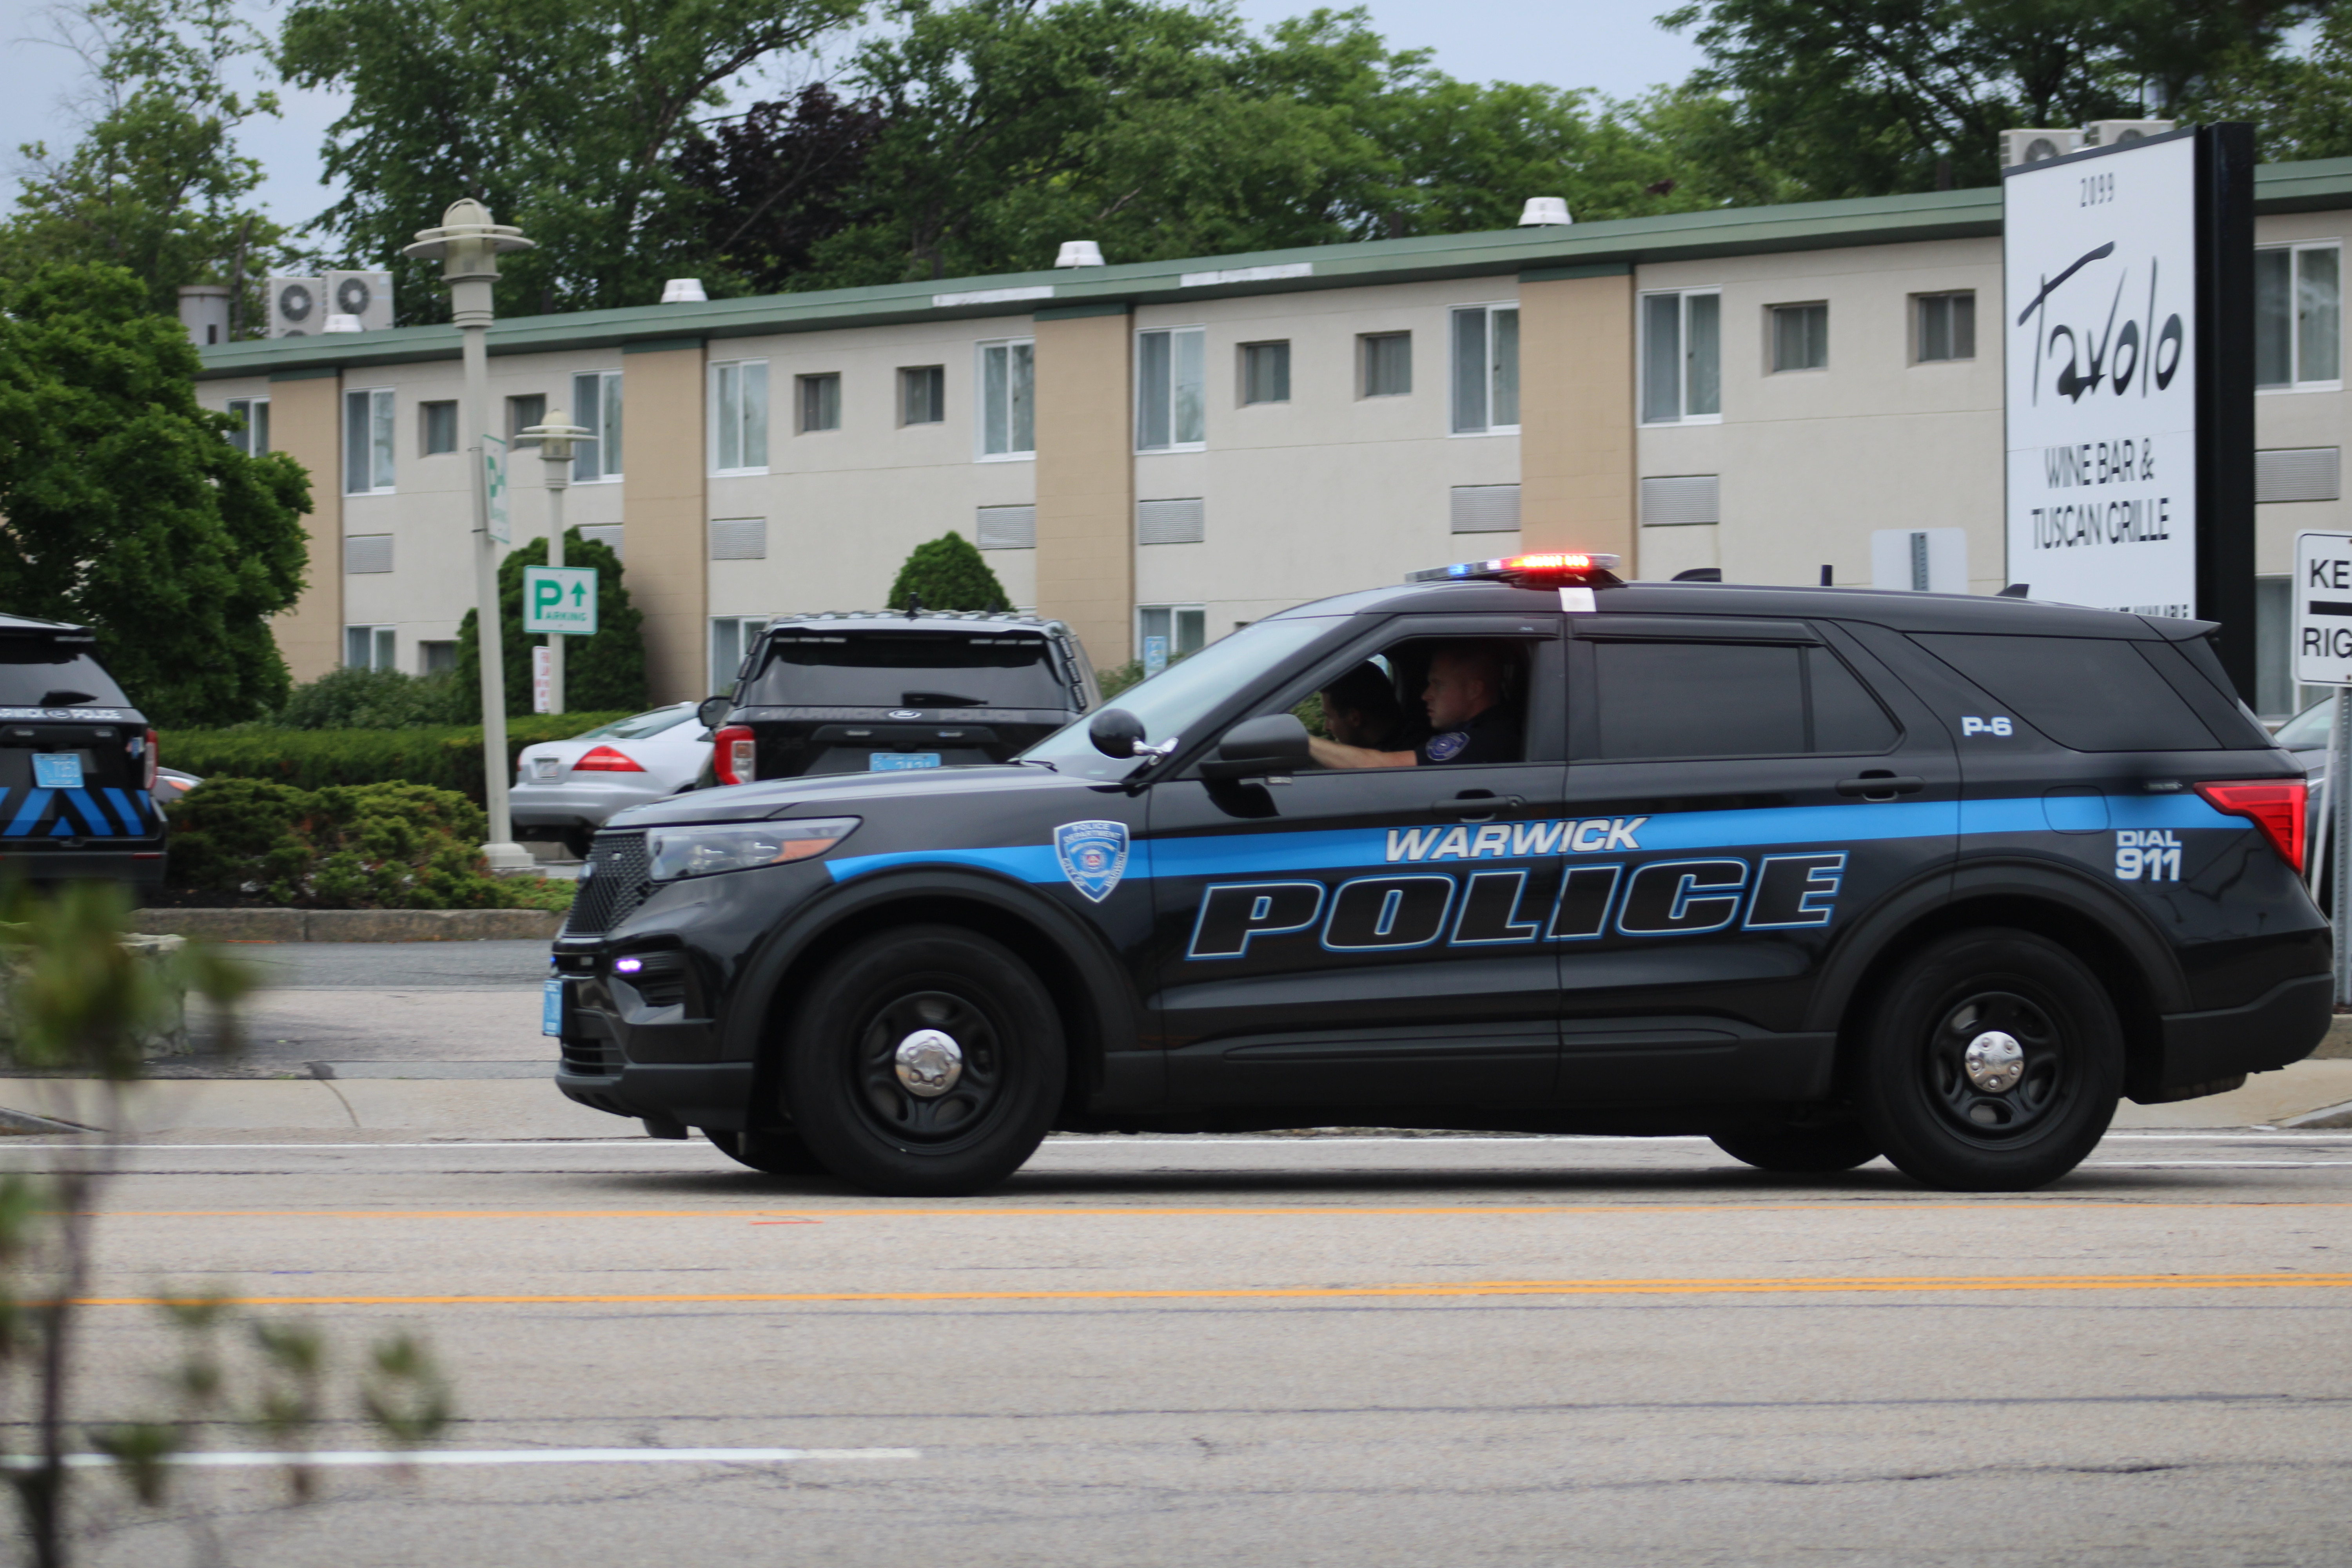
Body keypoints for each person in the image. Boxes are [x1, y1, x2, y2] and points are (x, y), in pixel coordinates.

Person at [1307, 644, 1520, 769]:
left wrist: (1304, 742)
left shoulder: (1483, 740)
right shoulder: (1485, 731)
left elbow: (1380, 766)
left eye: (1438, 685)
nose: (1426, 695)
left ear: (1474, 690)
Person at [1316, 662, 1403, 753]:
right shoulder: (1404, 744)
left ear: (1355, 718)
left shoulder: (1394, 760)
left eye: (1329, 717)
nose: (1326, 728)